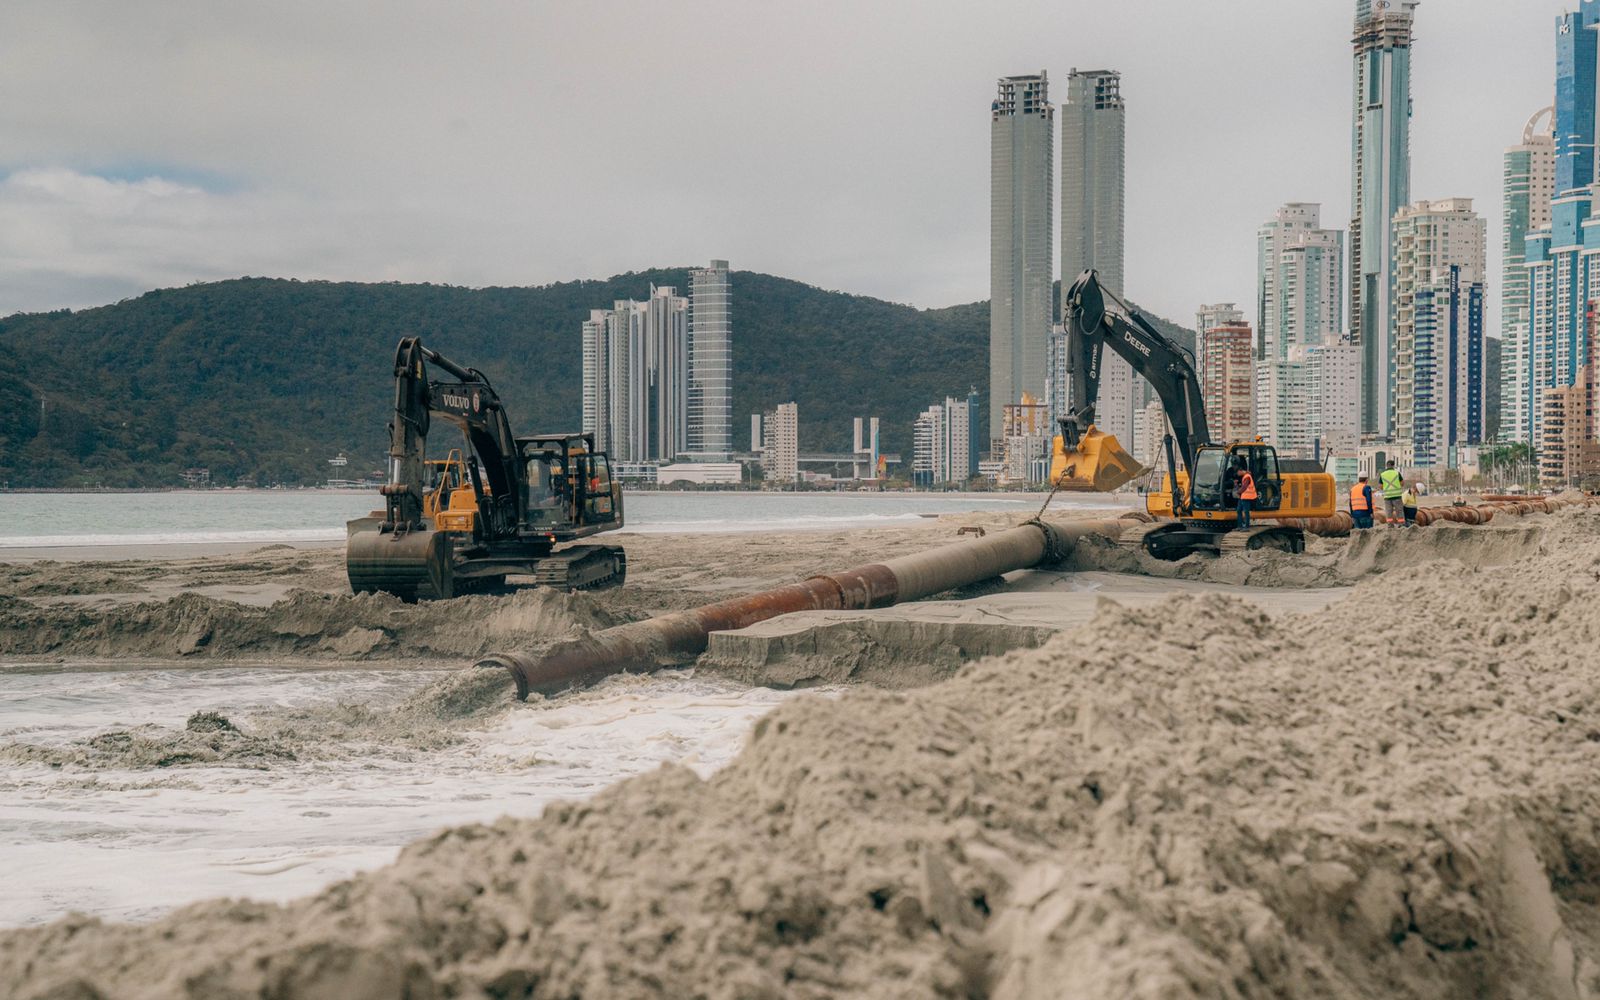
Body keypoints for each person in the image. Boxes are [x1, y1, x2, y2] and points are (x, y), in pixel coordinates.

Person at [1379, 459, 1406, 525]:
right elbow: (1402, 483)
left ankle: (1390, 525)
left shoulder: (1382, 474)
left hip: (1387, 496)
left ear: (1386, 466)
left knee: (1388, 512)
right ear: (1393, 466)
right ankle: (1401, 525)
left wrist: (1387, 488)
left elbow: (1380, 486)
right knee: (1399, 511)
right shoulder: (1397, 473)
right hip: (1397, 496)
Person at [1233, 460, 1257, 529]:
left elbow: (1244, 487)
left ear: (1240, 471)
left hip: (1247, 497)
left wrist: (1238, 492)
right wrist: (1236, 484)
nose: (1237, 475)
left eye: (1237, 473)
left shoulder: (1247, 477)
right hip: (1242, 497)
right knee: (1238, 510)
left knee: (1246, 511)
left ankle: (1246, 526)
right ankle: (1240, 526)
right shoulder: (1244, 477)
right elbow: (1242, 486)